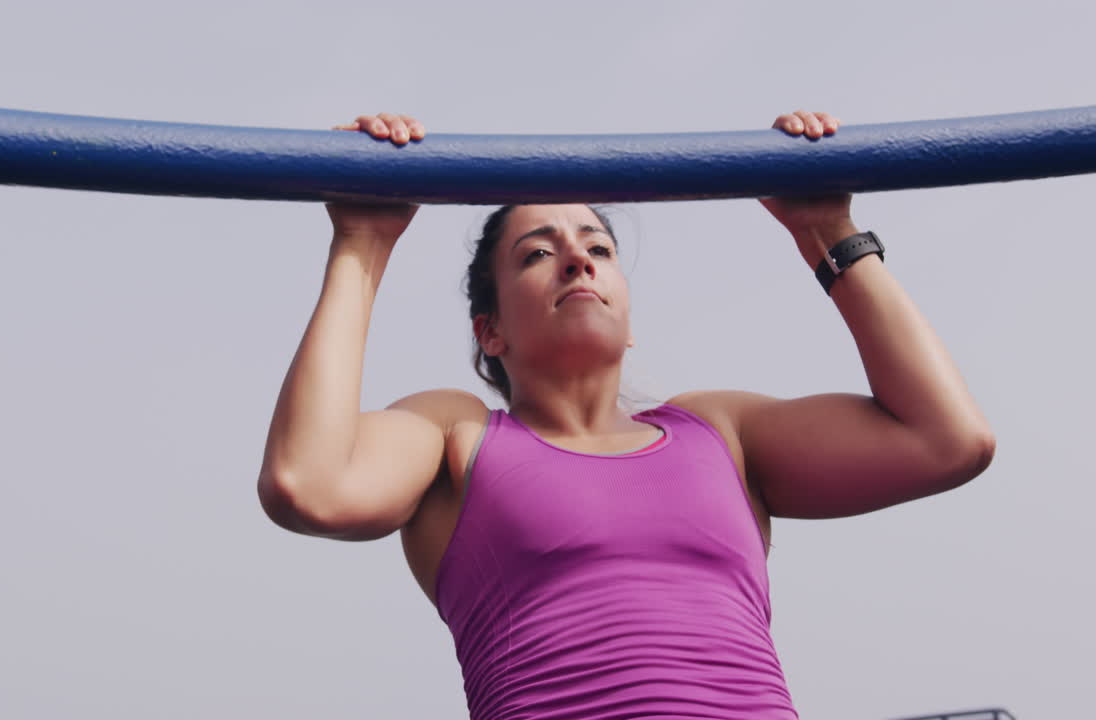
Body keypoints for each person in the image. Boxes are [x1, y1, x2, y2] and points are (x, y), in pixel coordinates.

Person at [256, 110, 995, 719]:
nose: (578, 261)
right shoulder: (459, 435)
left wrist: (827, 229)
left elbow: (948, 438)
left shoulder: (718, 431)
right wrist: (362, 241)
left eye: (599, 248)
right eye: (537, 254)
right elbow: (307, 483)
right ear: (490, 330)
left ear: (629, 315)